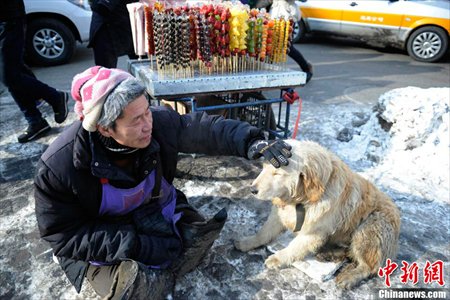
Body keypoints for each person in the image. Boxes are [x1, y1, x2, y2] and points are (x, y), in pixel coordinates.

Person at [34, 66, 292, 299]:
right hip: (104, 230)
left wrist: (251, 141)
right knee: (132, 288)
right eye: (136, 120)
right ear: (104, 128)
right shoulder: (59, 167)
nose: (148, 124)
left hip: (151, 207)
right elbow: (63, 235)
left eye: (147, 112)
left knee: (195, 234)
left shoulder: (158, 123)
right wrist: (135, 244)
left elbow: (204, 129)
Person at [0, 0, 69, 143]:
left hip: (8, 18)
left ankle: (54, 96)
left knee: (9, 75)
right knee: (15, 71)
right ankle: (35, 120)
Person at [255, 0, 314, 83]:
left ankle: (306, 68)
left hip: (287, 15)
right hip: (275, 13)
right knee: (271, 45)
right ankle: (265, 72)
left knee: (287, 47)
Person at [88, 0, 139, 68]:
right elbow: (101, 8)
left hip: (126, 27)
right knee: (106, 73)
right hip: (104, 31)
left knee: (142, 67)